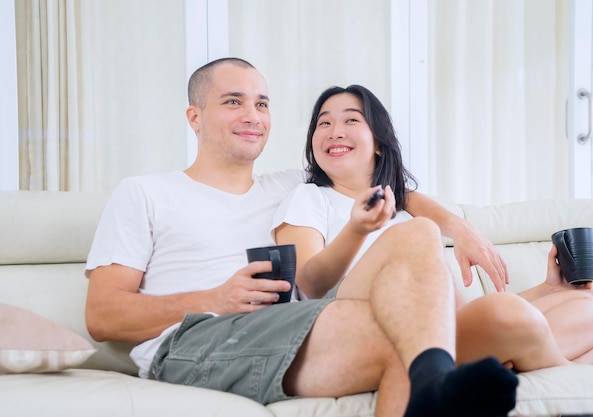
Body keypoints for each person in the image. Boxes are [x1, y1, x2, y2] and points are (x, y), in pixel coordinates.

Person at [84, 57, 521, 417]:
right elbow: (102, 316)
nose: (252, 116)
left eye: (262, 104)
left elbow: (390, 188)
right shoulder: (145, 192)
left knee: (411, 312)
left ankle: (432, 385)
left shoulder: (291, 186)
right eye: (233, 101)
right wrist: (214, 298)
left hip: (287, 325)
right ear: (194, 117)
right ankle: (436, 380)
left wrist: (458, 227)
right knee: (409, 333)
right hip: (194, 340)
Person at [272, 84, 593, 369]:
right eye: (323, 123)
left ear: (378, 143)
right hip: (367, 330)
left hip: (444, 330)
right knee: (509, 315)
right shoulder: (309, 198)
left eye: (351, 120)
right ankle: (567, 366)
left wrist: (548, 289)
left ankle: (507, 361)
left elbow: (460, 313)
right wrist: (356, 229)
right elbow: (311, 285)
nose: (335, 132)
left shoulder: (404, 212)